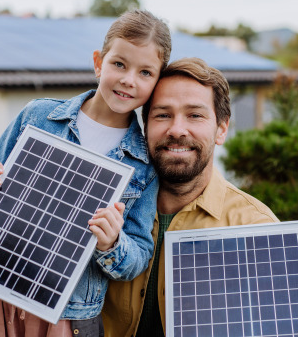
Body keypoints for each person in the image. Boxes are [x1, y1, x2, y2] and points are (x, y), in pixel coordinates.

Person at [0, 9, 172, 336]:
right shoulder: (37, 117)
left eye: (146, 72)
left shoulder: (143, 165)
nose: (128, 80)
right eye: (119, 64)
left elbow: (138, 254)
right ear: (99, 62)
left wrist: (111, 244)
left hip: (69, 317)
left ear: (156, 83)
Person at [101, 57, 279, 337]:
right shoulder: (106, 206)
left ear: (221, 129)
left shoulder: (256, 228)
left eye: (195, 115)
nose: (177, 130)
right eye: (162, 115)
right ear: (145, 127)